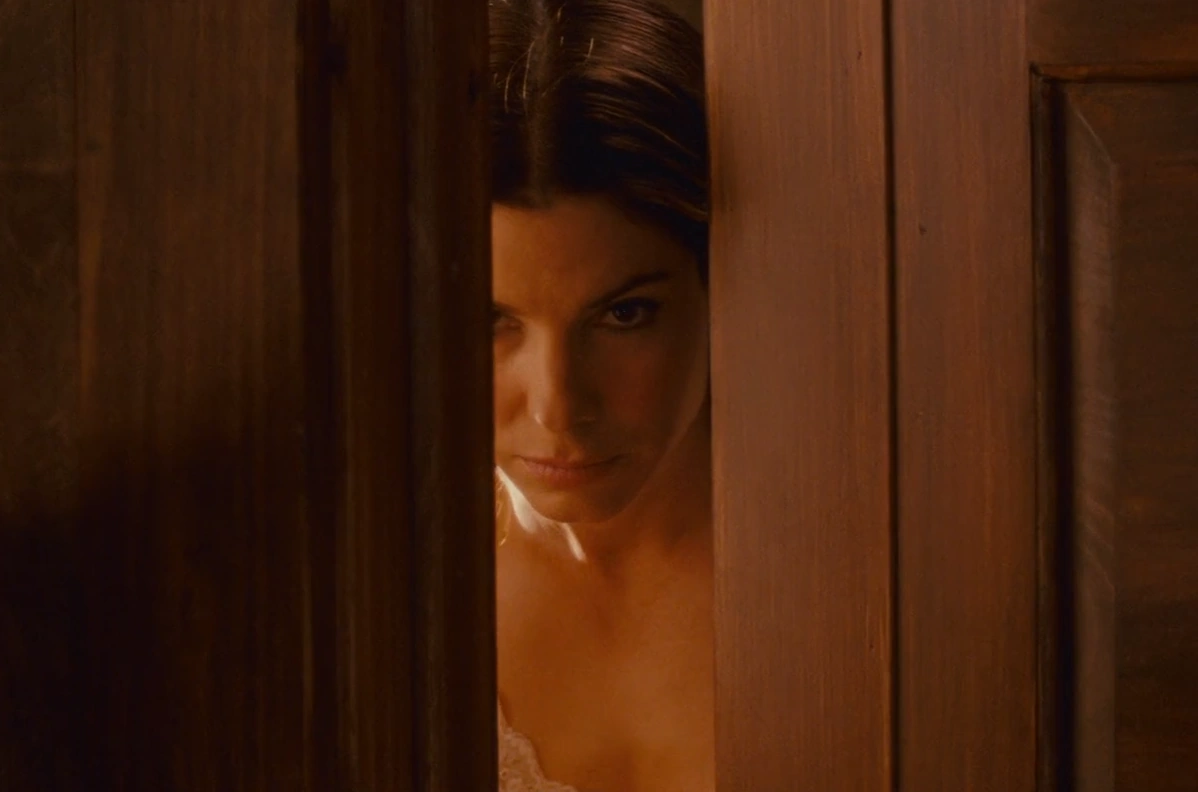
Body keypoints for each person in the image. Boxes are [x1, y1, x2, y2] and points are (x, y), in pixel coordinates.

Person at [489, 0, 713, 790]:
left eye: (623, 315)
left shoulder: (866, 570)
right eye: (491, 321)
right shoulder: (385, 597)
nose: (557, 405)